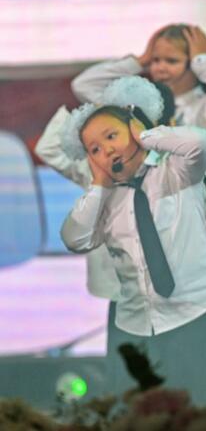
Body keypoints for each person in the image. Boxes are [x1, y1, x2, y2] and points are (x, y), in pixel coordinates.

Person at [59, 76, 206, 403]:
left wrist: (144, 134)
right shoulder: (103, 200)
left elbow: (199, 142)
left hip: (197, 317)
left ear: (133, 129)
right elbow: (75, 238)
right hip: (136, 326)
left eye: (112, 136)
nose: (107, 149)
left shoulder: (175, 171)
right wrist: (99, 185)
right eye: (94, 149)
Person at [70, 25, 206, 323]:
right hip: (158, 224)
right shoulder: (139, 109)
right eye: (156, 60)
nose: (160, 68)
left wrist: (203, 60)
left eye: (171, 60)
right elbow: (83, 85)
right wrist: (138, 61)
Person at [35, 80, 178, 386]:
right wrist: (95, 114)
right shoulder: (99, 167)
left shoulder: (177, 166)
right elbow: (49, 147)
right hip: (125, 293)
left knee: (175, 372)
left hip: (178, 294)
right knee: (126, 373)